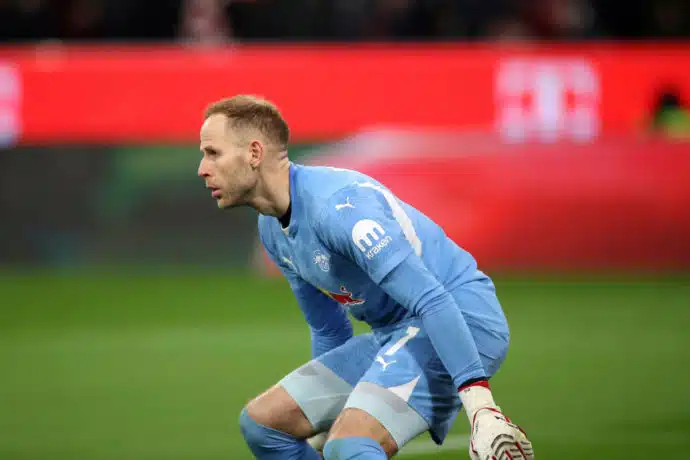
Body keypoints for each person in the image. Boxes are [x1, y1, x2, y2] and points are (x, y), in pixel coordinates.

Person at [197, 94, 534, 460]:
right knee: (263, 425)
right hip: (395, 334)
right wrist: (323, 420)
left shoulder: (341, 210)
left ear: (254, 153)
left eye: (212, 153)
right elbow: (329, 330)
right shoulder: (272, 229)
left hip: (462, 319)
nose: (202, 168)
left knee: (350, 444)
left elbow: (431, 299)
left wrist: (481, 406)